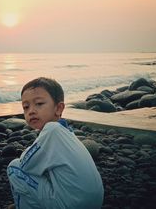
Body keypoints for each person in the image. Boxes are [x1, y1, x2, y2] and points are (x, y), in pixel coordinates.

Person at [7, 77, 104, 209]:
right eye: (26, 106)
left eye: (39, 104)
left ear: (58, 108)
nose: (31, 111)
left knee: (14, 167)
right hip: (94, 203)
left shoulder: (51, 130)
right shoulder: (66, 132)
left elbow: (25, 164)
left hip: (72, 204)